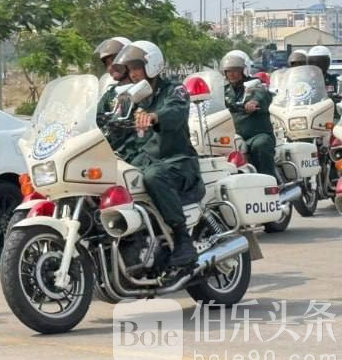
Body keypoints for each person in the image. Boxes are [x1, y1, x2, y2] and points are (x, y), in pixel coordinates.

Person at [112, 41, 203, 267]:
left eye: (137, 68)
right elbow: (115, 122)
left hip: (178, 161)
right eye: (130, 69)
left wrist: (154, 117)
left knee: (154, 176)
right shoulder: (133, 98)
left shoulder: (175, 90)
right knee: (116, 177)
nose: (133, 74)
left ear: (152, 65)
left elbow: (176, 111)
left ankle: (182, 239)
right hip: (146, 160)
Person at [221, 50, 276, 178]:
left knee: (261, 145)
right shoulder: (224, 91)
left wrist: (254, 102)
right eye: (228, 71)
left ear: (244, 70)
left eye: (235, 70)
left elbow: (262, 94)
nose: (231, 74)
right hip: (232, 136)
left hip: (256, 135)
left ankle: (269, 181)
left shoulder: (255, 84)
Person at [95, 37, 132, 115]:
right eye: (107, 64)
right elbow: (96, 113)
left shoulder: (145, 89)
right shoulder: (112, 93)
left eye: (115, 60)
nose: (110, 68)